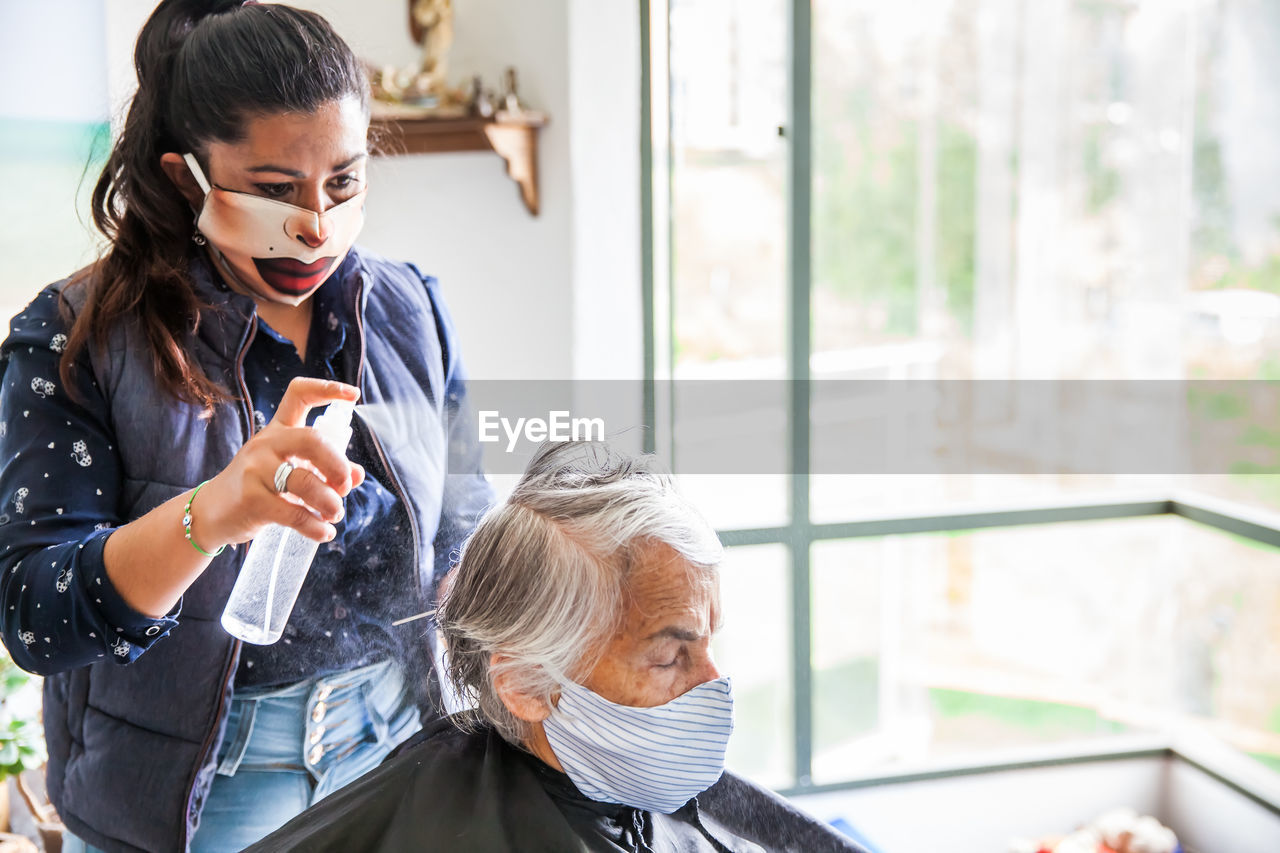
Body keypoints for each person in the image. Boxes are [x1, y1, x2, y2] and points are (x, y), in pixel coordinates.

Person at [0, 2, 492, 851]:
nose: (316, 224)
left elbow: (460, 534)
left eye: (343, 181)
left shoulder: (412, 308)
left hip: (397, 750)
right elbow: (37, 615)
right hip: (196, 793)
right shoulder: (75, 338)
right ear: (187, 175)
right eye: (274, 190)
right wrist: (212, 513)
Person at [246, 442, 868, 853]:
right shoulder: (431, 822)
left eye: (709, 644)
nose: (715, 686)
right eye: (668, 656)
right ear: (524, 684)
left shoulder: (682, 803)